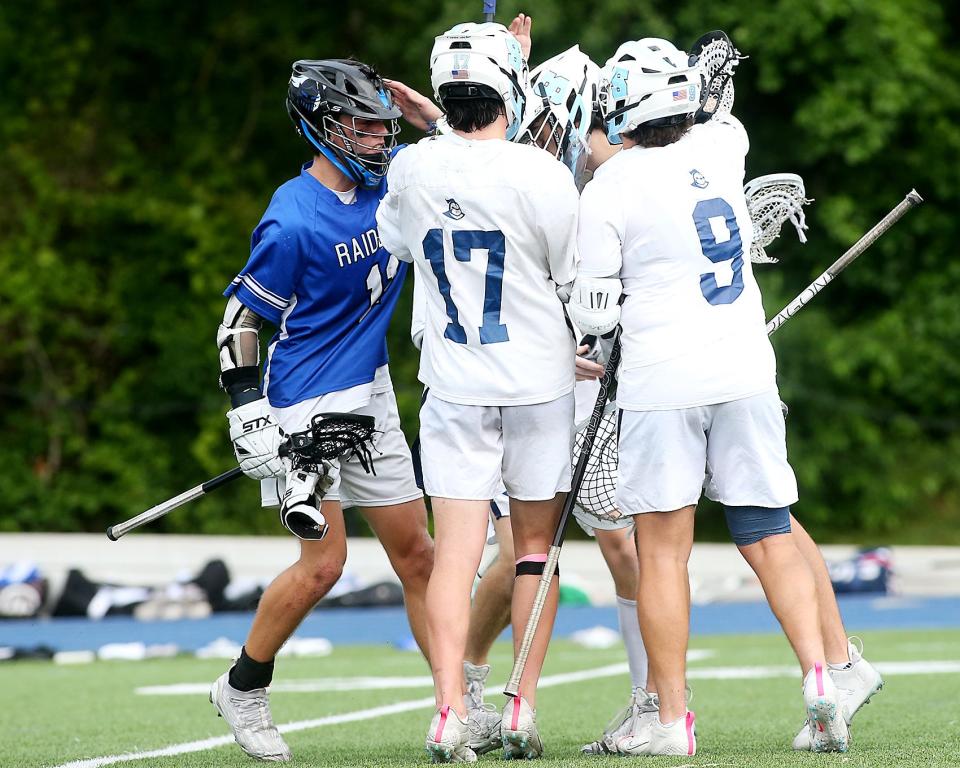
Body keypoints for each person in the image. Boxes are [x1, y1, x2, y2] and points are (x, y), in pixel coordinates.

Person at [574, 37, 850, 756]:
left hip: (662, 385)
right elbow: (714, 112)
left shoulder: (609, 189)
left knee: (664, 554)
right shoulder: (727, 145)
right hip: (744, 372)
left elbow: (597, 316)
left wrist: (592, 346)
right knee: (771, 532)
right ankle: (820, 677)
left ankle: (671, 722)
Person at [210, 59, 434, 762]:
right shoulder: (290, 219)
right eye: (362, 127)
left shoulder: (400, 175)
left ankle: (456, 704)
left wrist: (425, 113)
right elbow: (237, 325)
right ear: (321, 127)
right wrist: (249, 414)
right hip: (305, 401)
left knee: (420, 557)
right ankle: (243, 686)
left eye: (382, 126)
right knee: (324, 564)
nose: (378, 139)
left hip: (370, 390)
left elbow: (479, 148)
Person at [377, 21, 580, 762]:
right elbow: (572, 273)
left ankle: (449, 712)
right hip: (535, 381)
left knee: (456, 556)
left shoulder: (412, 169)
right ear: (510, 88)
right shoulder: (541, 174)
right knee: (533, 551)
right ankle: (521, 706)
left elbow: (402, 236)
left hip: (456, 385)